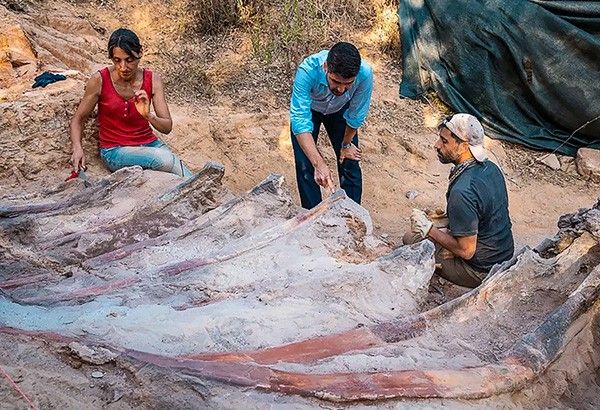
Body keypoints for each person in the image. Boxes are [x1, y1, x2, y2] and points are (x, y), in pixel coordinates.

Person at [408, 114, 514, 288]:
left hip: (481, 270)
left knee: (411, 238)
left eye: (444, 141)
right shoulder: (491, 168)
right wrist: (447, 219)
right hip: (503, 254)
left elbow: (467, 251)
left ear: (464, 146)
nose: (437, 145)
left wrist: (429, 229)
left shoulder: (462, 191)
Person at [69, 28, 192, 177]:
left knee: (188, 177)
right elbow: (78, 118)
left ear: (140, 53)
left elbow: (167, 127)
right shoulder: (100, 80)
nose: (123, 67)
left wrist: (148, 115)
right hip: (115, 151)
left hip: (150, 144)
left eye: (129, 60)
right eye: (117, 60)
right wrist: (77, 148)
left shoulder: (153, 79)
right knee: (166, 160)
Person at [290, 42, 373, 209]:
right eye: (336, 81)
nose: (341, 89)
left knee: (350, 160)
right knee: (306, 164)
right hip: (311, 110)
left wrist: (346, 145)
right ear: (326, 67)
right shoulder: (307, 71)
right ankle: (312, 216)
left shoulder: (365, 74)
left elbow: (356, 115)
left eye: (348, 84)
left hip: (341, 111)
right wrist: (319, 164)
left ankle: (352, 216)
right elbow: (300, 121)